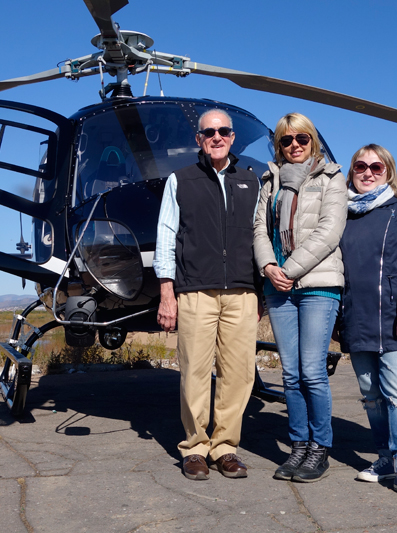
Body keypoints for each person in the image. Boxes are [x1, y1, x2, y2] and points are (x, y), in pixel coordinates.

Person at [153, 108, 261, 480]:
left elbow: (261, 237)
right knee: (195, 372)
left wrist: (260, 290)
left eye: (224, 131)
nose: (217, 137)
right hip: (195, 290)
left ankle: (226, 447)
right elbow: (166, 237)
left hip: (243, 292)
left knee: (239, 373)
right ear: (198, 140)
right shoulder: (180, 180)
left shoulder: (252, 181)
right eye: (209, 132)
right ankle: (195, 448)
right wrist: (167, 291)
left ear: (232, 138)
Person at [253, 112, 347, 482]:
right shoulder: (269, 181)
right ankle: (299, 446)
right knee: (290, 374)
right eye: (286, 140)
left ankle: (320, 448)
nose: (294, 146)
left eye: (301, 139)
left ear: (313, 141)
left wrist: (287, 270)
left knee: (311, 371)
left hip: (317, 285)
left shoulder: (331, 177)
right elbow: (259, 228)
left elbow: (330, 231)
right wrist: (268, 267)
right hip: (277, 286)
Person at [338, 144, 397, 500]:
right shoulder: (343, 215)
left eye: (377, 167)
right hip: (357, 318)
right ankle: (384, 457)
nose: (368, 172)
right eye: (360, 166)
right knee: (371, 398)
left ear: (388, 172)